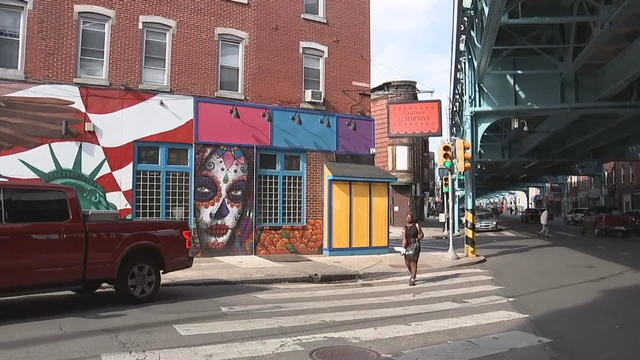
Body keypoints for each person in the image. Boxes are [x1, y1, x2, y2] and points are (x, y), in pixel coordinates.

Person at [403, 213, 424, 286]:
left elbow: (422, 235)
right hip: (407, 247)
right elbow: (404, 239)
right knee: (407, 263)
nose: (408, 219)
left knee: (413, 262)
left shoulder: (416, 225)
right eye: (407, 217)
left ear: (412, 218)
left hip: (415, 246)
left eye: (410, 217)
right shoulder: (405, 228)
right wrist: (403, 248)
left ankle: (412, 279)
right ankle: (413, 274)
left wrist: (417, 239)